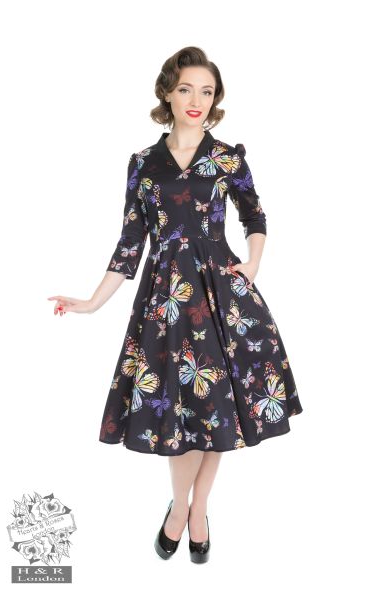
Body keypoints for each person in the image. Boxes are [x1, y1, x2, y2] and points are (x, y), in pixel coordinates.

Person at [48, 46, 303, 563]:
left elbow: (254, 215)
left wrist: (253, 264)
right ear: (167, 92)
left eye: (207, 91)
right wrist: (92, 302)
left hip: (223, 295)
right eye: (186, 88)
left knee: (216, 408)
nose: (196, 100)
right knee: (183, 412)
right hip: (166, 300)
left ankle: (196, 507)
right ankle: (180, 504)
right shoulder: (143, 164)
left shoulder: (227, 157)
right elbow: (130, 242)